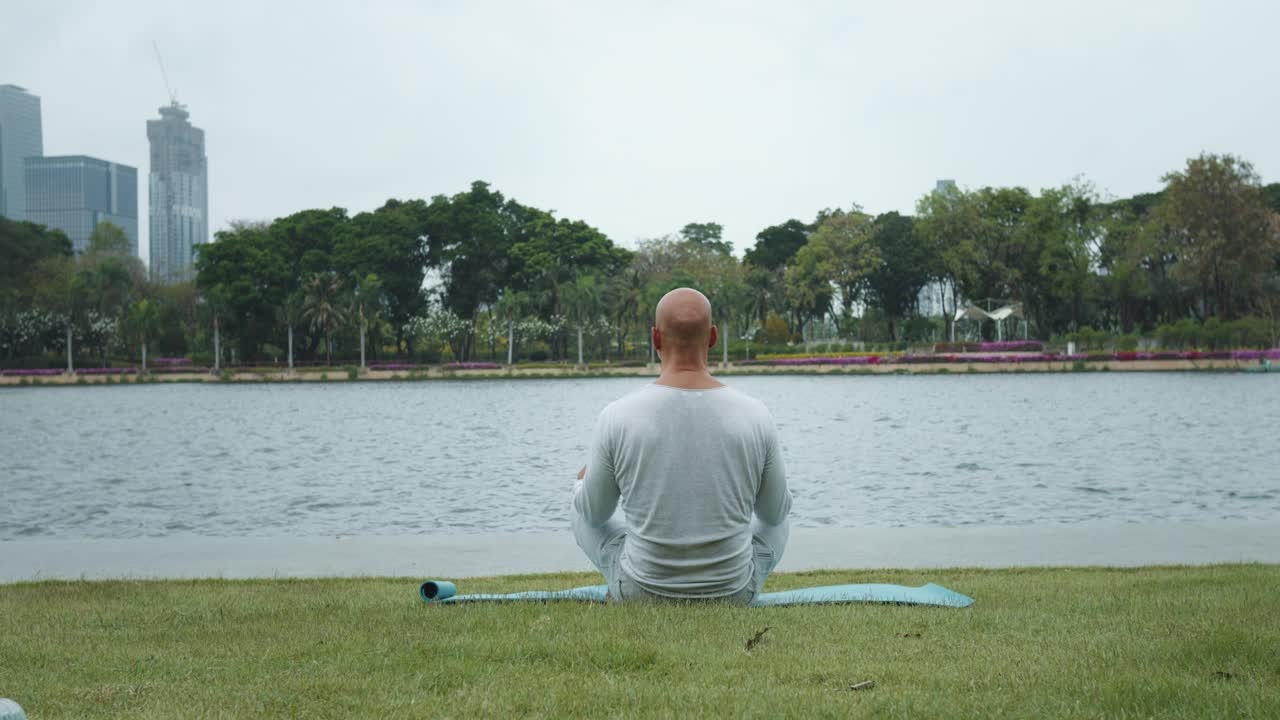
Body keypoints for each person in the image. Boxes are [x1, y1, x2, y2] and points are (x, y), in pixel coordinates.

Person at [571, 287, 791, 604]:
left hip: (640, 593)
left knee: (578, 495)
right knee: (783, 510)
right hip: (733, 593)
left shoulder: (617, 415)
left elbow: (594, 514)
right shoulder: (756, 414)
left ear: (656, 339)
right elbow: (774, 514)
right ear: (713, 337)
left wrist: (584, 481)